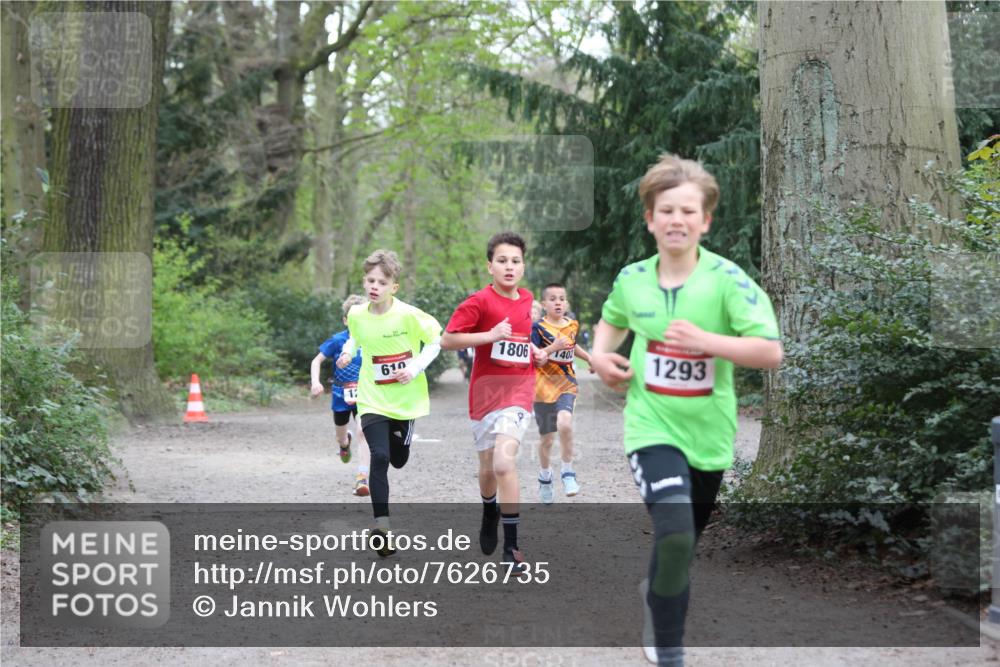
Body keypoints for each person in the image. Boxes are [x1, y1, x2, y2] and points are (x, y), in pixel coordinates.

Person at [589, 154, 782, 666]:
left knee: (682, 544)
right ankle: (669, 645)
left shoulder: (727, 281)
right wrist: (601, 355)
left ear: (705, 221)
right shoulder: (633, 278)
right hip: (651, 426)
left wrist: (708, 341)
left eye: (688, 211)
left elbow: (769, 351)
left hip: (711, 438)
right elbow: (610, 322)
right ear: (650, 218)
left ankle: (657, 589)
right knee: (673, 529)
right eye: (666, 210)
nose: (677, 219)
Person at [440, 232, 546, 572]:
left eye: (515, 261)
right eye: (502, 260)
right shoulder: (478, 302)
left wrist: (535, 353)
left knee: (503, 464)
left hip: (518, 391)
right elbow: (447, 340)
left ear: (523, 266)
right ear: (490, 266)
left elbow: (520, 339)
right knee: (487, 469)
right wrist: (489, 335)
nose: (509, 266)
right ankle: (489, 510)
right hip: (484, 395)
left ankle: (512, 547)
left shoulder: (529, 301)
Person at [336, 249, 442, 557]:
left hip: (405, 400)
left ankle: (401, 440)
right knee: (379, 458)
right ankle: (382, 529)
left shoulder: (409, 314)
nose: (374, 287)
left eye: (382, 282)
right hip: (371, 397)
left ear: (393, 287)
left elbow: (437, 340)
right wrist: (347, 351)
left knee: (398, 459)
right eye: (370, 280)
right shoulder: (357, 314)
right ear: (364, 281)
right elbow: (355, 337)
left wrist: (414, 367)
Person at [531, 282, 593, 503]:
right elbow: (535, 356)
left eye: (562, 298)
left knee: (565, 423)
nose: (558, 302)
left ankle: (568, 472)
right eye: (553, 299)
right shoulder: (537, 328)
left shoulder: (572, 324)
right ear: (544, 304)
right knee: (547, 439)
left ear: (566, 303)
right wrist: (553, 348)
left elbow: (572, 346)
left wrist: (589, 358)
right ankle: (545, 477)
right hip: (542, 388)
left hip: (566, 383)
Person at [310, 294, 371, 496]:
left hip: (365, 393)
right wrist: (316, 382)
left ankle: (362, 479)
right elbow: (316, 361)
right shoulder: (338, 340)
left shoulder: (372, 338)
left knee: (365, 431)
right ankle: (345, 444)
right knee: (341, 437)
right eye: (353, 318)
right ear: (346, 320)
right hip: (340, 395)